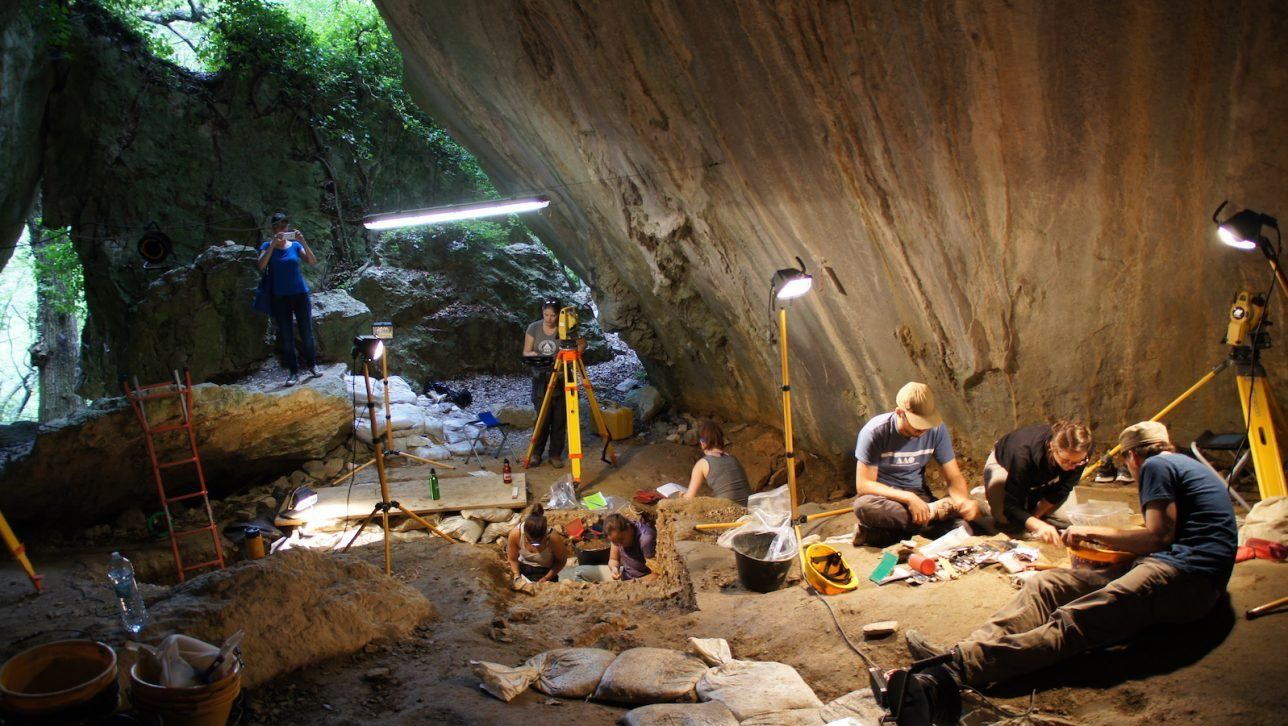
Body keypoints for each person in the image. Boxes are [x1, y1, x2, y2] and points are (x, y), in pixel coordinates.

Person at [904, 421, 1238, 691]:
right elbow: (1166, 535)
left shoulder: (1157, 467)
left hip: (1189, 578)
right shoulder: (1180, 463)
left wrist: (1091, 533)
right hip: (1172, 567)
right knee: (1048, 585)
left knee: (1076, 617)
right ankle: (963, 650)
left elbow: (1158, 536)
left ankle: (963, 666)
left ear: (1133, 457)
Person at [852, 382, 980, 546]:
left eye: (926, 424)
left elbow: (953, 476)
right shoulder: (874, 432)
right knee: (863, 507)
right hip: (884, 497)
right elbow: (864, 485)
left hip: (918, 493)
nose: (923, 431)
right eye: (917, 425)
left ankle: (878, 535)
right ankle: (933, 518)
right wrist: (909, 499)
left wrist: (962, 501)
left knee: (963, 526)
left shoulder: (937, 430)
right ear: (900, 413)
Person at [982, 421, 1093, 544]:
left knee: (1069, 520)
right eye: (1066, 460)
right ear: (1052, 447)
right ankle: (989, 500)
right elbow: (1011, 504)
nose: (1072, 467)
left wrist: (1036, 515)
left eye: (1078, 462)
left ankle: (1030, 505)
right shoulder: (1022, 455)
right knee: (1008, 521)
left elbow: (1064, 487)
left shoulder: (1082, 450)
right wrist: (1037, 525)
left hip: (1044, 477)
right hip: (1006, 465)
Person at [257, 211, 319, 387]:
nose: (281, 229)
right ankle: (293, 371)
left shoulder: (294, 246)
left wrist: (303, 242)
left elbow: (312, 262)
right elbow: (261, 266)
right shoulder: (266, 246)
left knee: (306, 332)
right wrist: (272, 246)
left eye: (284, 225)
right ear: (273, 228)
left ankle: (312, 365)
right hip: (280, 297)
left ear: (287, 226)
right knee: (286, 336)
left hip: (300, 294)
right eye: (277, 226)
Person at [522, 299, 585, 468]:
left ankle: (555, 454)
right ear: (542, 312)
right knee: (542, 417)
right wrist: (534, 355)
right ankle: (536, 453)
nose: (549, 319)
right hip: (541, 377)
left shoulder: (567, 328)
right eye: (546, 315)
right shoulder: (534, 328)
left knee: (560, 418)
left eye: (553, 315)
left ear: (559, 314)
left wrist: (571, 357)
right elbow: (525, 352)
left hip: (562, 376)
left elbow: (582, 343)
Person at [683, 419, 751, 506]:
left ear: (702, 443)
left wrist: (681, 496)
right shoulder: (733, 459)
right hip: (749, 507)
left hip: (729, 510)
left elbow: (689, 498)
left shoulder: (702, 463)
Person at [505, 504, 569, 587]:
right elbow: (513, 559)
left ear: (544, 535)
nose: (535, 545)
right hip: (523, 569)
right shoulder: (516, 534)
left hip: (545, 571)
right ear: (525, 534)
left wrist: (546, 578)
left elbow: (561, 561)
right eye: (530, 541)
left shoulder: (553, 538)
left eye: (538, 542)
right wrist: (517, 576)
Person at [604, 512, 657, 582]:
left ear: (628, 527)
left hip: (643, 581)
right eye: (614, 542)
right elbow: (613, 559)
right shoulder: (616, 536)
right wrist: (614, 569)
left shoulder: (646, 540)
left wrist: (632, 583)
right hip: (626, 576)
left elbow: (657, 574)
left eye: (621, 539)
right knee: (584, 572)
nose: (619, 545)